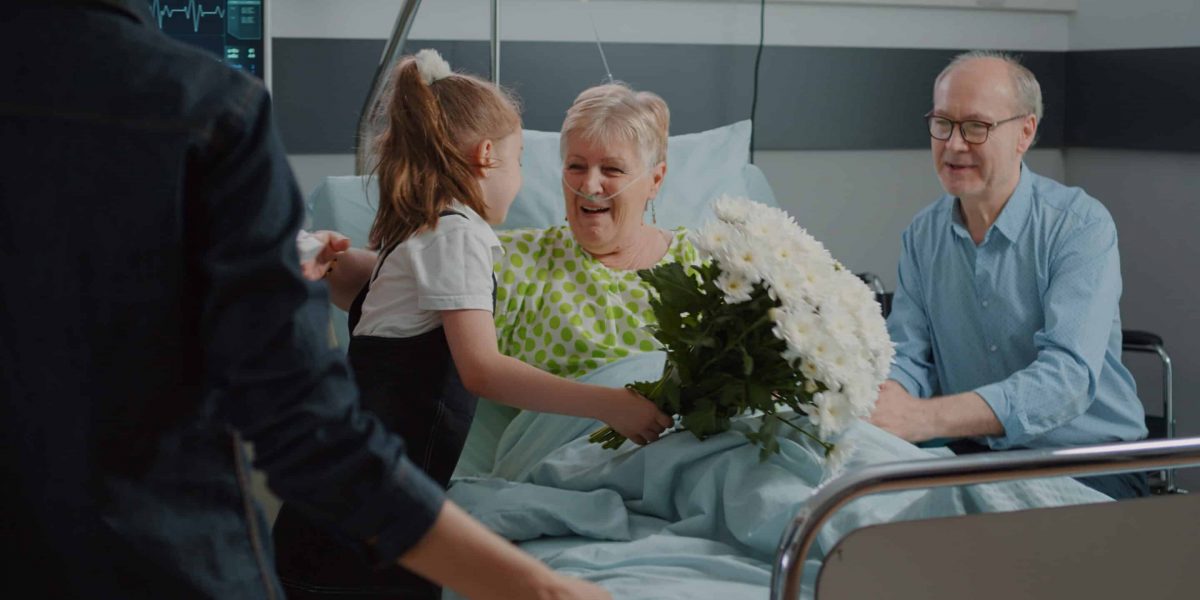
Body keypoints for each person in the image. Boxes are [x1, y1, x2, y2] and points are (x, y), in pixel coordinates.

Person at [0, 2, 609, 598]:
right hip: (166, 547)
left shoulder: (419, 236)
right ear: (486, 157)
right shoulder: (207, 112)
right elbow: (307, 426)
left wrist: (289, 263)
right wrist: (531, 586)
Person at [272, 57, 671, 599]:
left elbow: (374, 282)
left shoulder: (424, 228)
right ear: (488, 157)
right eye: (521, 160)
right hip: (366, 520)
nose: (524, 179)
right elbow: (482, 371)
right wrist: (609, 403)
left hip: (351, 504)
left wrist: (311, 247)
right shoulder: (460, 236)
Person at [868, 51, 1148, 499]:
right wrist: (880, 401)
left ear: (1025, 132)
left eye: (976, 127)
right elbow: (911, 358)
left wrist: (923, 419)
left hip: (1087, 462)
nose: (954, 145)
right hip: (976, 457)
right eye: (943, 123)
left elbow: (1067, 380)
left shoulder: (1079, 225)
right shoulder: (922, 236)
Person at [318, 82, 702, 387]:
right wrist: (330, 258)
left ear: (655, 180)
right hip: (574, 445)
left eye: (613, 170)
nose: (590, 184)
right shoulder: (514, 258)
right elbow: (404, 275)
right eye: (576, 166)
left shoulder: (711, 264)